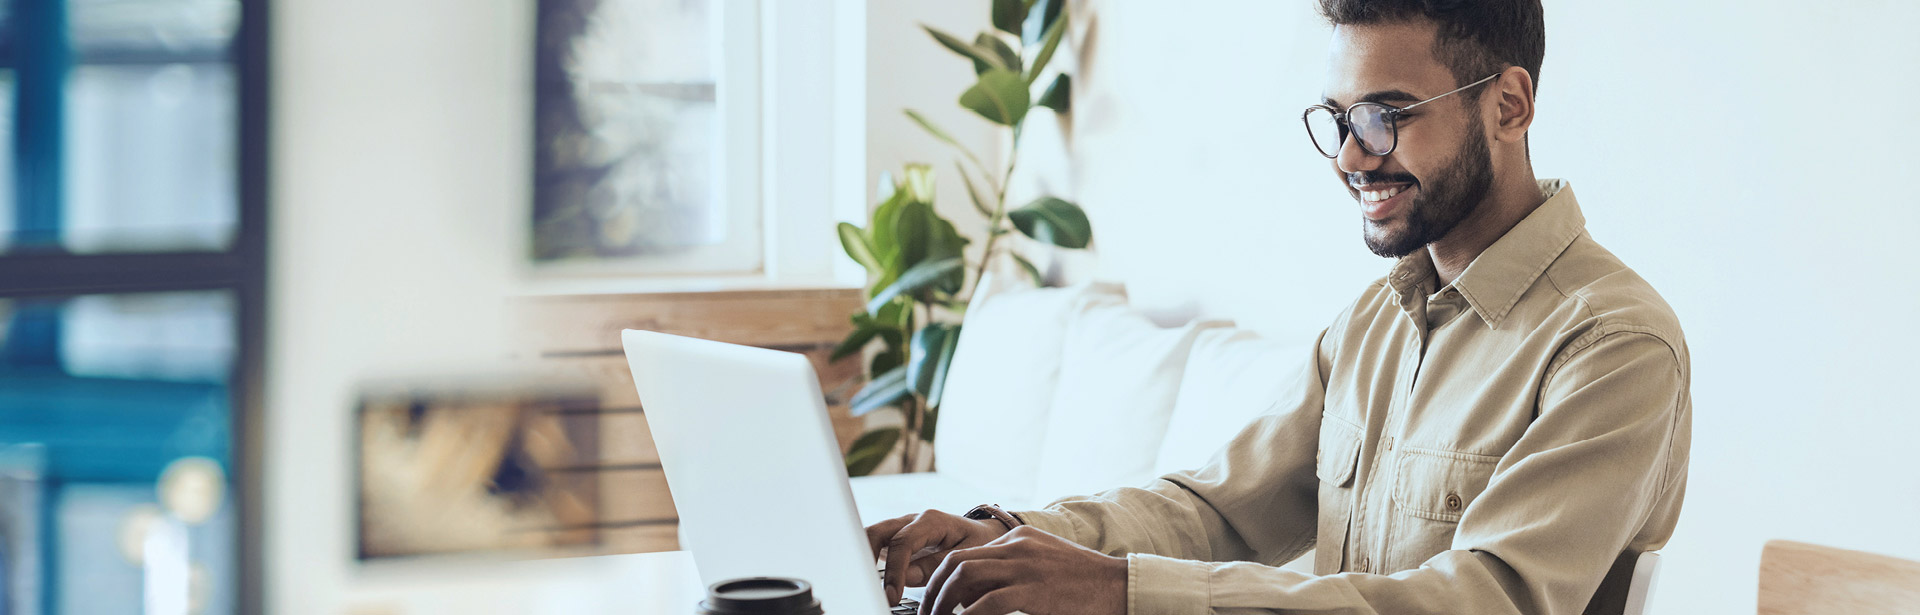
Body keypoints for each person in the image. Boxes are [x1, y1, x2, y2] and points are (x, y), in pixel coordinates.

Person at [863, 0, 1692, 614]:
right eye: (1337, 119)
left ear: (1508, 104)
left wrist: (1120, 590)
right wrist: (1011, 539)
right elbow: (1214, 507)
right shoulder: (1373, 323)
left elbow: (1483, 597)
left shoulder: (1613, 344)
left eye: (1385, 116)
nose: (1352, 157)